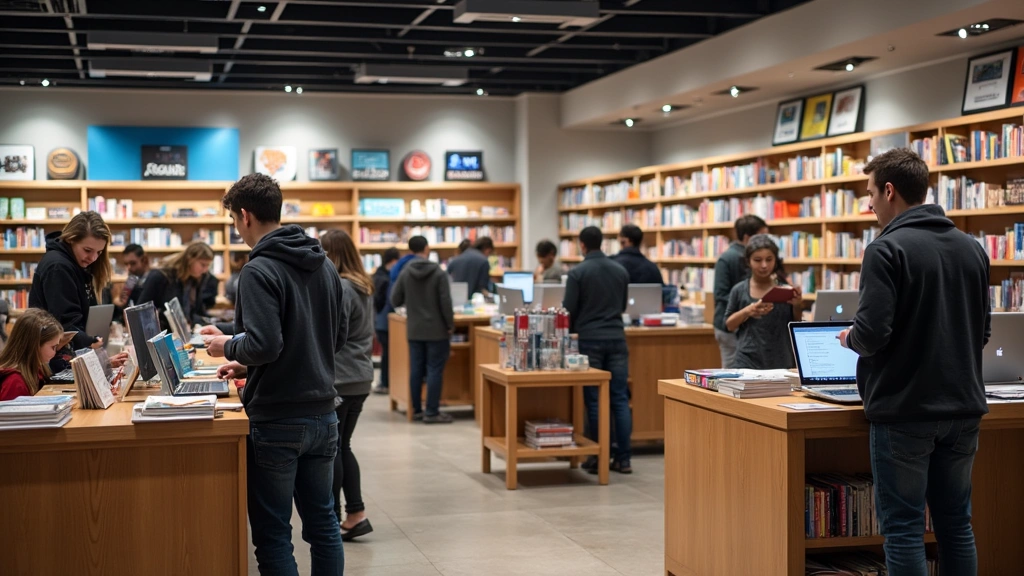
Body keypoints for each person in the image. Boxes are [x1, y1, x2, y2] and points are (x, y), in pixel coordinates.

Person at [837, 148, 990, 576]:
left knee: (903, 529)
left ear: (890, 191)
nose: (869, 205)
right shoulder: (972, 248)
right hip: (964, 408)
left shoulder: (885, 250)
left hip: (905, 410)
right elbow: (982, 334)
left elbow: (871, 335)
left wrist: (849, 337)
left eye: (870, 193)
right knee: (957, 523)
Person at [204, 173, 346, 575]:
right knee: (323, 524)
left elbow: (266, 345)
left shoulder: (258, 269)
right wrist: (247, 354)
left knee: (272, 533)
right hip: (324, 413)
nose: (236, 228)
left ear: (245, 215)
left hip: (279, 418)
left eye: (233, 219)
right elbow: (334, 337)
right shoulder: (324, 265)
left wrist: (227, 346)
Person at [563, 226, 633, 473]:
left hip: (590, 339)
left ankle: (597, 455)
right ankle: (624, 458)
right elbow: (623, 305)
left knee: (594, 400)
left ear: (582, 245)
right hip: (617, 337)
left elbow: (568, 310)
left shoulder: (577, 273)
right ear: (601, 243)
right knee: (620, 398)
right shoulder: (620, 270)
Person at [320, 229, 375, 542]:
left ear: (333, 254)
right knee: (344, 445)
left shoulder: (341, 287)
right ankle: (355, 513)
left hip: (342, 376)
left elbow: (333, 333)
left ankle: (340, 515)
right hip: (360, 375)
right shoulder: (363, 285)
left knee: (335, 449)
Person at [28, 211, 111, 373]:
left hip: (65, 356)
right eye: (87, 250)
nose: (93, 258)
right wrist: (89, 341)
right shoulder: (58, 267)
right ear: (71, 239)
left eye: (99, 252)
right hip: (52, 360)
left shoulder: (77, 266)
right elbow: (66, 323)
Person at [390, 236, 455, 424]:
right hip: (437, 330)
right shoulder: (439, 272)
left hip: (415, 329)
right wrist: (450, 324)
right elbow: (445, 303)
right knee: (434, 369)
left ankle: (416, 410)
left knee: (416, 369)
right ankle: (432, 412)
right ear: (427, 249)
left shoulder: (405, 272)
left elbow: (395, 300)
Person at [724, 235, 802, 370]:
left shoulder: (785, 289)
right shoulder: (739, 290)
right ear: (748, 261)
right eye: (757, 260)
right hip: (747, 360)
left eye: (769, 260)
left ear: (776, 261)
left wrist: (797, 305)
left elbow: (795, 323)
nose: (764, 265)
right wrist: (748, 311)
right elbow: (729, 325)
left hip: (781, 359)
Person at [713, 215, 768, 368]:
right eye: (761, 236)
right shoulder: (727, 258)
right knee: (732, 372)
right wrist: (747, 305)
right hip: (730, 326)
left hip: (748, 325)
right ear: (747, 237)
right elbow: (720, 294)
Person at [137, 241, 214, 332]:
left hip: (186, 333)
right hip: (163, 335)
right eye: (203, 265)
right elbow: (141, 310)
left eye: (208, 266)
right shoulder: (160, 276)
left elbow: (195, 310)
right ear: (190, 259)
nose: (205, 270)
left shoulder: (196, 279)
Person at [0, 309, 63, 400]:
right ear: (35, 345)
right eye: (53, 347)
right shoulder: (15, 383)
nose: (55, 352)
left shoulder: (37, 371)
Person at [372, 247, 400, 395]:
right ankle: (385, 382)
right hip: (385, 321)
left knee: (387, 354)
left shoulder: (378, 275)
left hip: (380, 321)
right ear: (393, 261)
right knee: (388, 355)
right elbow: (384, 300)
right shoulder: (386, 279)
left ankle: (385, 382)